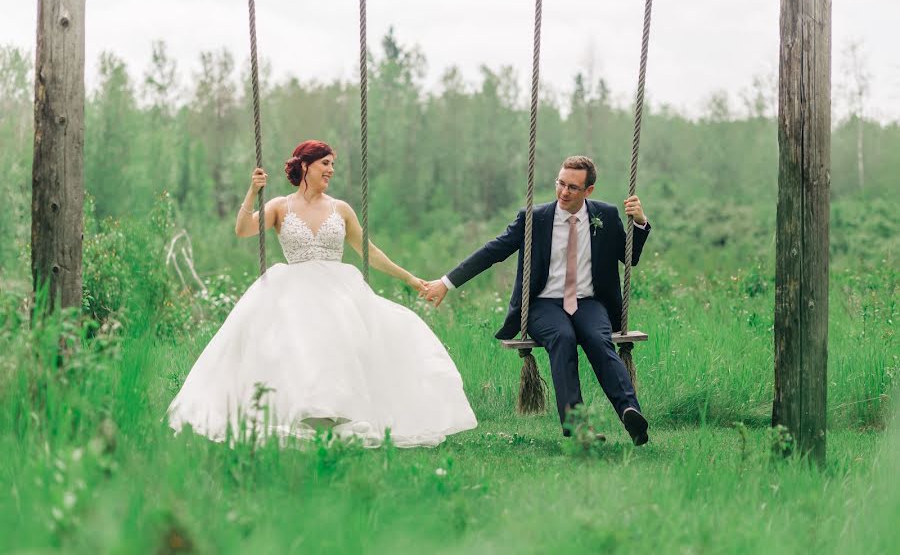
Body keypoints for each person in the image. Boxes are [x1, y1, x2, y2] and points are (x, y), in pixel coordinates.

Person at [167, 140, 477, 447]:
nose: (330, 170)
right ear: (305, 165)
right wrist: (252, 191)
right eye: (325, 163)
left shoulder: (340, 209)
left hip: (337, 288)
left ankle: (332, 412)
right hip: (293, 289)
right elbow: (243, 229)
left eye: (332, 164)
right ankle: (308, 411)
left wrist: (410, 279)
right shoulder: (279, 206)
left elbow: (368, 251)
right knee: (298, 344)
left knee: (349, 339)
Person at [421, 156, 651, 445]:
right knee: (563, 338)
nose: (564, 192)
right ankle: (578, 427)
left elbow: (629, 256)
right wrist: (446, 282)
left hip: (588, 302)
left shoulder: (604, 215)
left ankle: (630, 412)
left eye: (573, 188)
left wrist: (640, 222)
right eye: (560, 184)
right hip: (543, 304)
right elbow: (493, 251)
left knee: (599, 339)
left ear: (588, 191)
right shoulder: (535, 219)